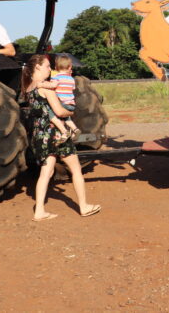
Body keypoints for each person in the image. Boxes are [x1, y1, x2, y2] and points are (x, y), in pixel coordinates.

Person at [22, 55, 100, 222]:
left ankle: (40, 211)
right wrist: (71, 112)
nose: (50, 69)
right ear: (37, 67)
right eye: (47, 66)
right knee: (76, 169)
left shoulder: (28, 88)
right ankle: (84, 206)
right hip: (56, 134)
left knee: (46, 173)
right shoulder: (47, 89)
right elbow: (60, 112)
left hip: (40, 134)